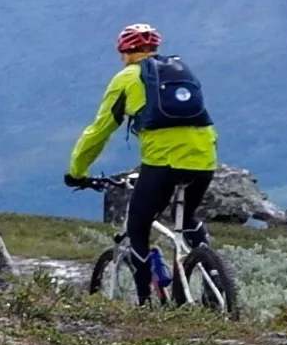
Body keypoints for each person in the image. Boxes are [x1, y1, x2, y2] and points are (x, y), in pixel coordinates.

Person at [65, 23, 218, 303]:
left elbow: (99, 131)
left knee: (139, 224)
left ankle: (143, 301)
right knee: (188, 218)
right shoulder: (180, 72)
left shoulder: (126, 79)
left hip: (163, 162)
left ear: (124, 52)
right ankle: (214, 278)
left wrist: (77, 172)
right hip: (205, 156)